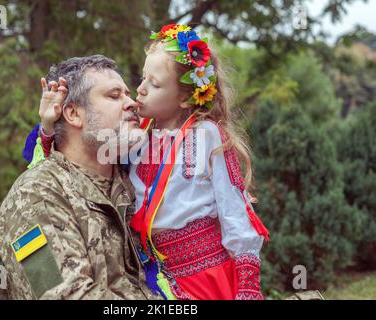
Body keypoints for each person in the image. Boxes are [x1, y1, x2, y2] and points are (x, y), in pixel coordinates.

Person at [33, 24, 270, 300]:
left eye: (154, 84)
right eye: (142, 79)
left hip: (207, 277)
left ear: (184, 98)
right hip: (155, 278)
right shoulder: (136, 138)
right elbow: (69, 163)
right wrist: (49, 126)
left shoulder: (207, 135)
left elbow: (235, 214)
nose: (139, 91)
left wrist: (248, 288)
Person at [0, 55, 160, 300]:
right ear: (73, 114)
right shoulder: (33, 195)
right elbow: (63, 295)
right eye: (114, 96)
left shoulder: (137, 186)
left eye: (127, 94)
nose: (132, 103)